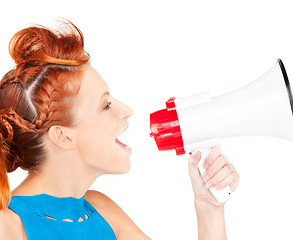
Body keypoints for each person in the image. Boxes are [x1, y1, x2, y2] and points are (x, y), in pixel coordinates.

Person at [0, 20, 240, 240]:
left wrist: (209, 208)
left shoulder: (101, 212)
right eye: (106, 105)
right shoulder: (8, 226)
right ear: (63, 136)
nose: (127, 110)